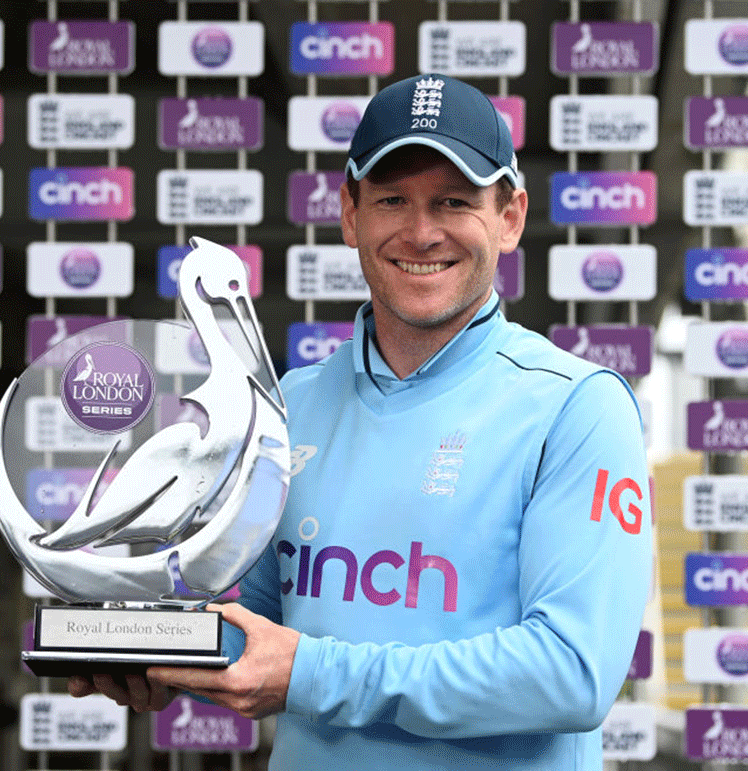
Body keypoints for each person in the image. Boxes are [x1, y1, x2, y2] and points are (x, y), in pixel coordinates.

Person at [71, 73, 653, 770]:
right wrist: (151, 653)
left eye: (454, 201)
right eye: (391, 199)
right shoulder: (287, 403)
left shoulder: (579, 406)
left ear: (510, 215)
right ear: (350, 213)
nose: (421, 230)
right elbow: (260, 631)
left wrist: (313, 672)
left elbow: (571, 672)